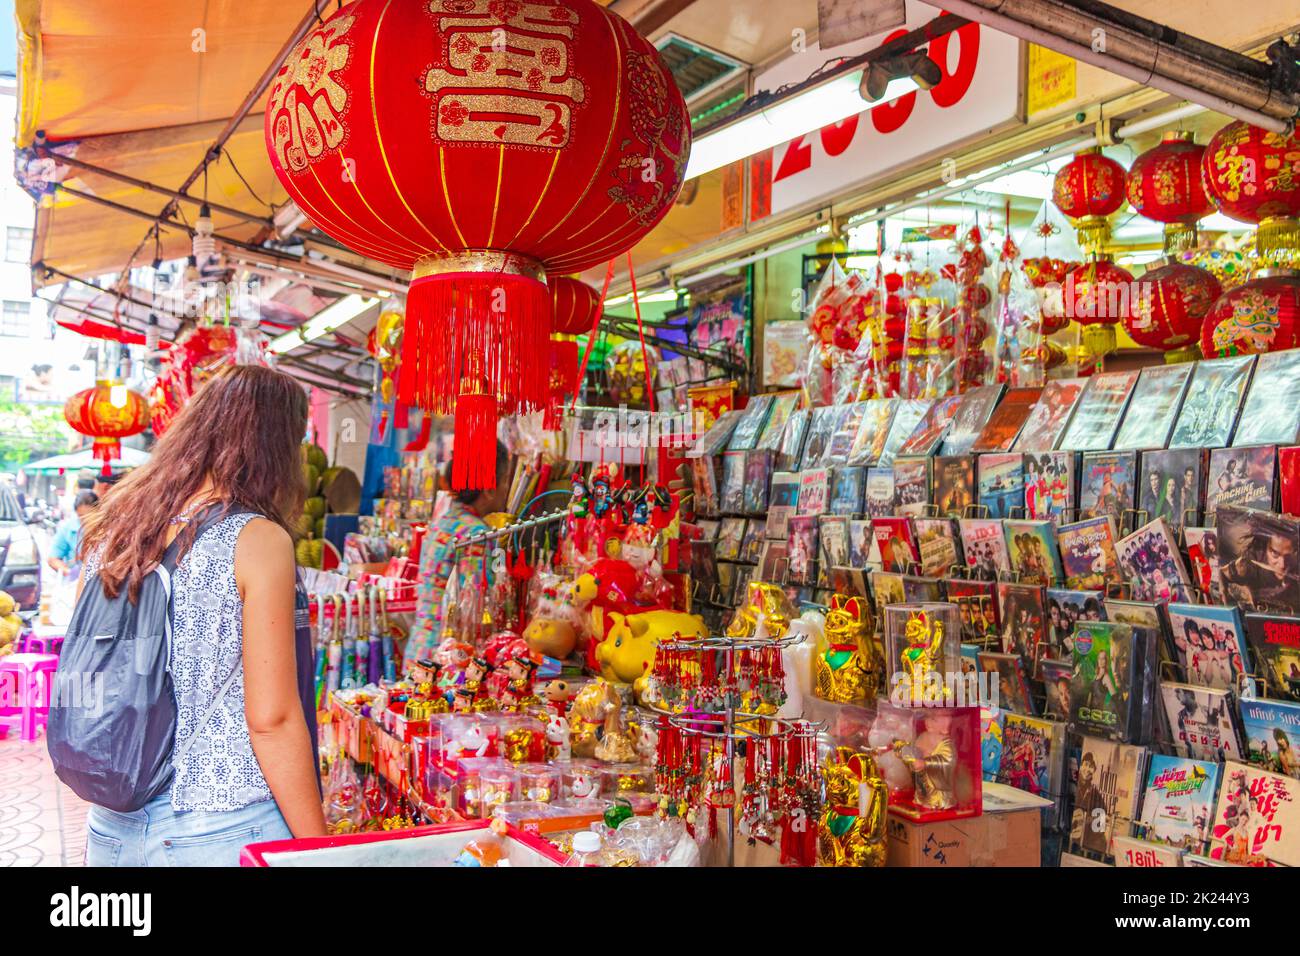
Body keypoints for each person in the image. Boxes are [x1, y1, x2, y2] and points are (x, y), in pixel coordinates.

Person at [76, 365, 325, 866]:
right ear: (276, 447)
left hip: (111, 825)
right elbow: (272, 719)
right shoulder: (255, 539)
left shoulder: (115, 530)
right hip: (216, 829)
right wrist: (321, 850)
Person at [404, 440, 513, 671]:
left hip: (420, 649)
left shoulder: (441, 523)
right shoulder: (476, 535)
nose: (507, 489)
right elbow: (473, 609)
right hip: (447, 661)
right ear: (490, 489)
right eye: (505, 481)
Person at [48, 490, 98, 578]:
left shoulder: (107, 530)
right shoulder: (67, 529)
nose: (85, 520)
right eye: (81, 516)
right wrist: (68, 572)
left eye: (90, 516)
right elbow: (53, 559)